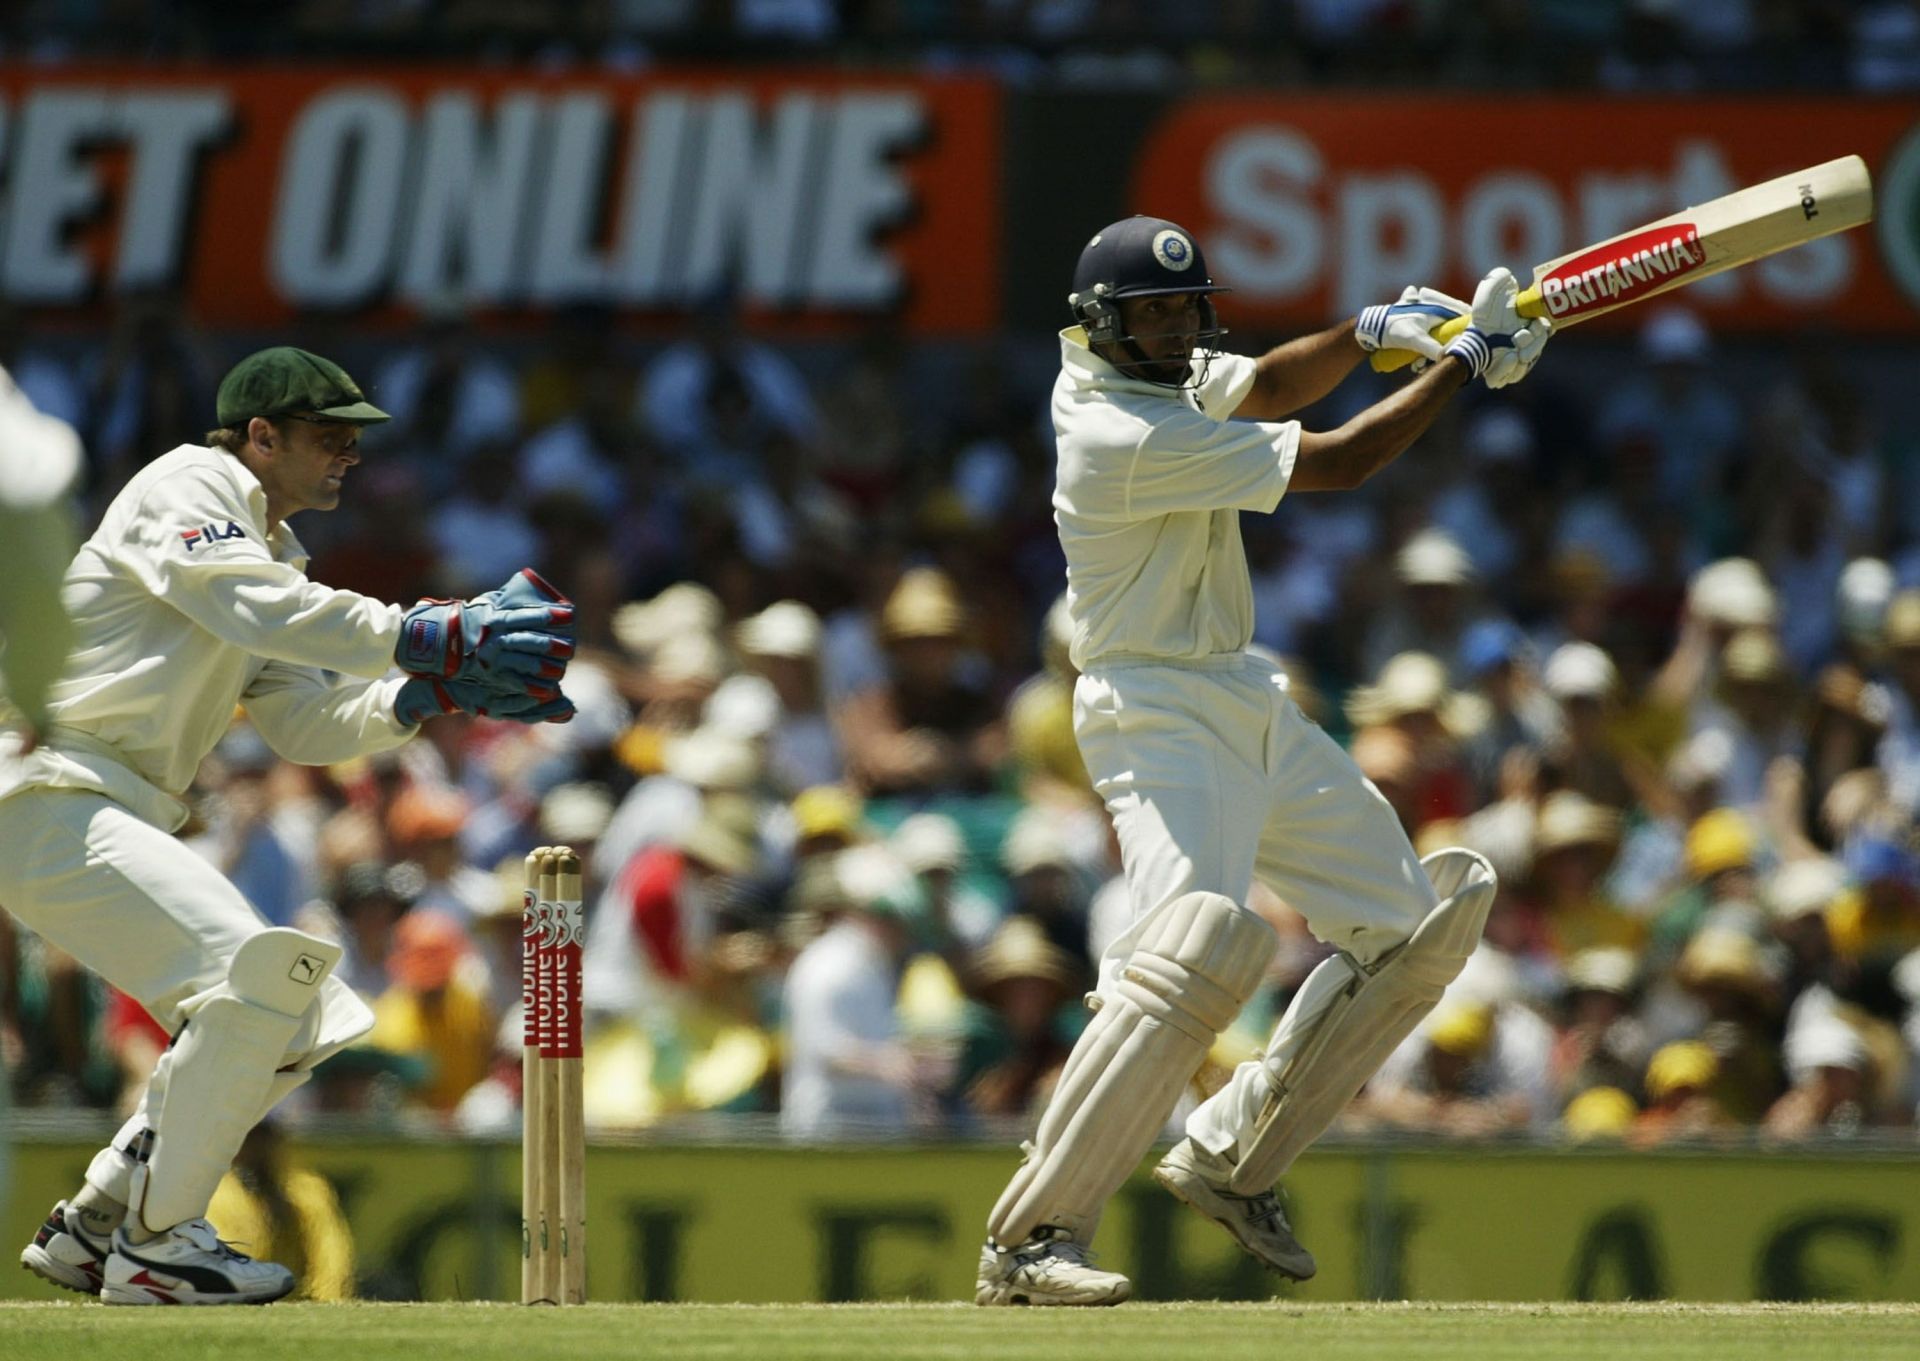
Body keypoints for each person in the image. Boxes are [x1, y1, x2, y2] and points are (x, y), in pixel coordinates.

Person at [974, 215, 1552, 1307]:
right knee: (1194, 946)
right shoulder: (1115, 427)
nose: (1174, 329)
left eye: (1186, 309)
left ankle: (1233, 1160)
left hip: (1242, 692)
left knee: (1413, 925)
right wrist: (1462, 369)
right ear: (1101, 326)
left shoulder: (1165, 370)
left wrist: (1372, 330)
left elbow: (1274, 381)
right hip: (1152, 708)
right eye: (1150, 314)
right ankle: (1030, 1237)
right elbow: (1341, 458)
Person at [8, 346, 576, 1304]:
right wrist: (418, 629)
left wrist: (422, 690)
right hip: (42, 785)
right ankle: (157, 1244)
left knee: (307, 1009)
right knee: (254, 974)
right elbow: (246, 601)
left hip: (93, 803)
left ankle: (103, 1213)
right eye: (328, 436)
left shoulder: (272, 553)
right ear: (260, 436)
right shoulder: (191, 483)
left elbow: (302, 720)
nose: (348, 454)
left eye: (355, 438)